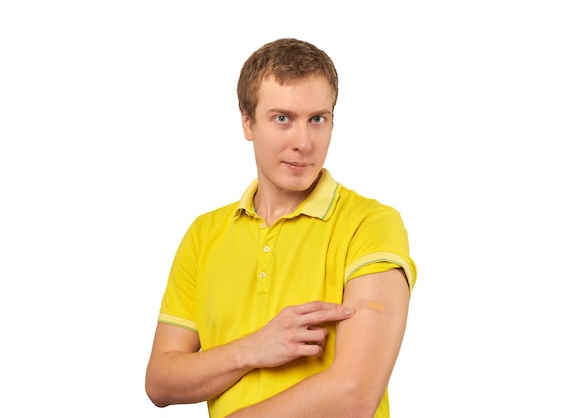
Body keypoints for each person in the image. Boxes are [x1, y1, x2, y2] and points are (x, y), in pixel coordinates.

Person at [145, 37, 417, 418]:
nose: (303, 142)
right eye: (283, 119)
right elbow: (160, 382)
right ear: (247, 122)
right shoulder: (203, 234)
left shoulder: (370, 225)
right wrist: (252, 349)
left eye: (317, 119)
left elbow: (354, 394)